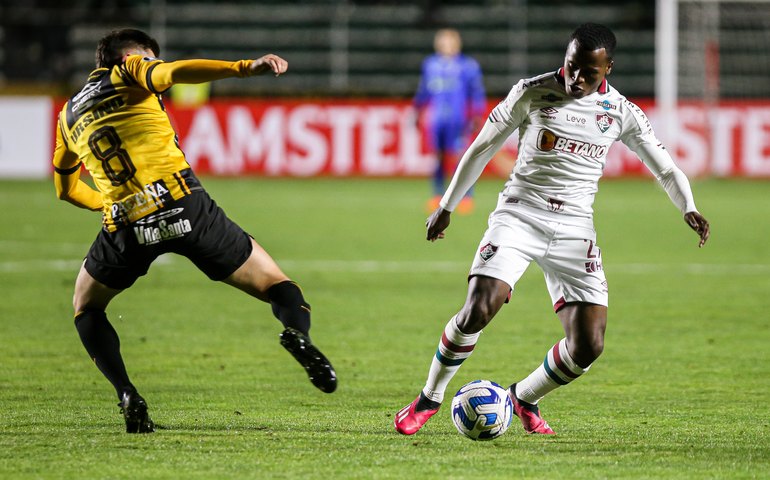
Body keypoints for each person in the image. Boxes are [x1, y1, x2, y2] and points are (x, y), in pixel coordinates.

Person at [394, 23, 710, 436]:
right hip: (519, 214)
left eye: (588, 73)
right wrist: (447, 205)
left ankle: (523, 396)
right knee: (478, 308)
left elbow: (665, 168)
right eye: (571, 66)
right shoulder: (532, 90)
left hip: (575, 229)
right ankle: (429, 398)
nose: (575, 79)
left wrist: (688, 206)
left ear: (607, 69)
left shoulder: (621, 113)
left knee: (588, 346)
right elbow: (482, 148)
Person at [53, 29, 337, 434]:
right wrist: (244, 68)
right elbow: (173, 73)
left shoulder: (66, 116)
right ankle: (296, 333)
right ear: (131, 56)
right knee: (277, 284)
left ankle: (127, 393)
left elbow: (64, 188)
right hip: (184, 204)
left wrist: (111, 202)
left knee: (86, 305)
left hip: (125, 223)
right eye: (149, 57)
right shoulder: (129, 71)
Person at [414, 28, 487, 214]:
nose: (447, 45)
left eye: (450, 41)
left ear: (457, 43)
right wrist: (417, 110)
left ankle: (465, 196)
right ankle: (437, 194)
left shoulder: (468, 66)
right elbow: (424, 90)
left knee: (460, 158)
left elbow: (476, 92)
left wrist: (477, 114)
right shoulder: (430, 65)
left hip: (458, 118)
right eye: (443, 41)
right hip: (437, 118)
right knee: (438, 157)